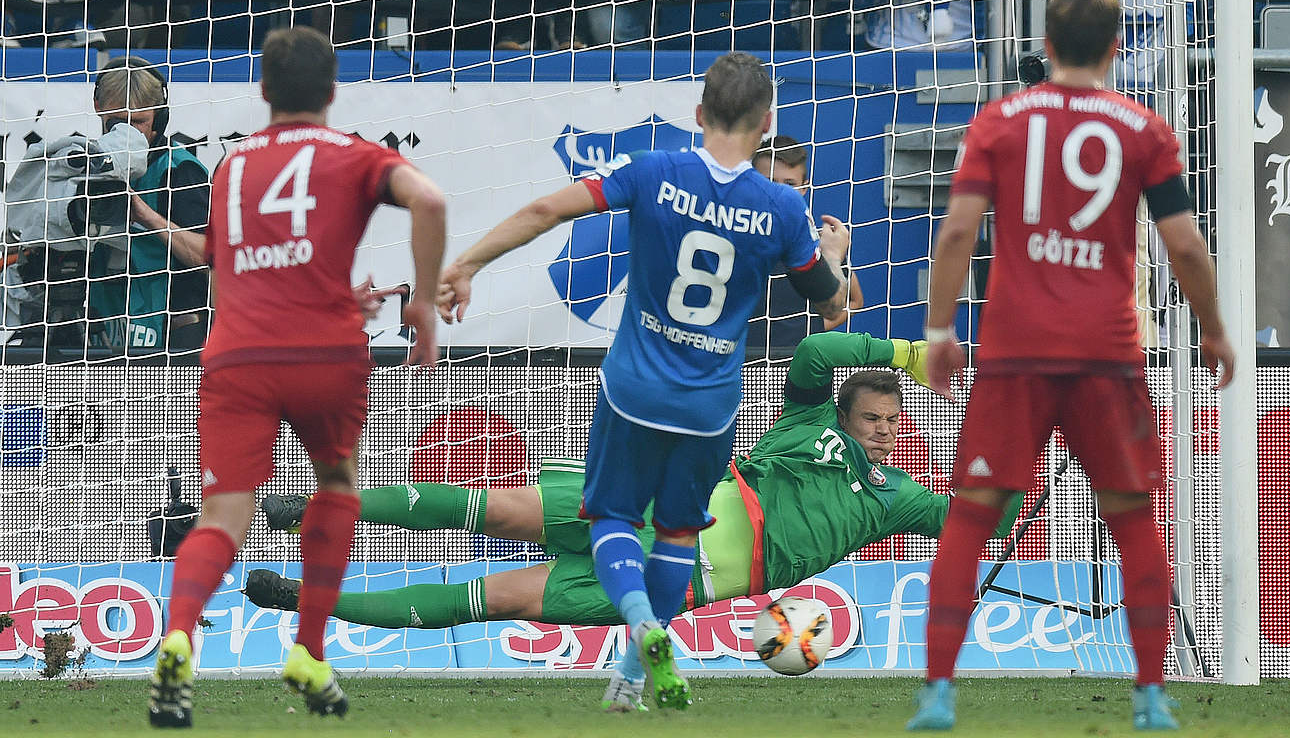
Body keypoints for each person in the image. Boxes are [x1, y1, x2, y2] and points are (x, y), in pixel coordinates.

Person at [244, 330, 1022, 711]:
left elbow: (978, 521)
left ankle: (299, 598)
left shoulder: (896, 496)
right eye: (874, 416)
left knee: (494, 598)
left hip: (677, 586)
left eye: (894, 420)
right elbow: (817, 351)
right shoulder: (803, 424)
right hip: (653, 505)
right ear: (847, 413)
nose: (885, 429)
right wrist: (904, 350)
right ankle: (299, 509)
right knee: (490, 505)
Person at [438, 52, 848, 709]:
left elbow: (548, 207)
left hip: (634, 389)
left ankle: (643, 626)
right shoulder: (777, 209)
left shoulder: (655, 170)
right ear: (766, 120)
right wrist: (831, 261)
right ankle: (631, 675)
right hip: (712, 406)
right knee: (681, 536)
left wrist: (467, 263)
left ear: (698, 114)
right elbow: (830, 309)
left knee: (612, 518)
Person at [908, 0, 1234, 731]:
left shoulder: (1000, 120)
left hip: (1017, 352)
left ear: (1047, 45)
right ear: (1118, 48)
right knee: (1133, 520)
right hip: (1107, 356)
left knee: (969, 517)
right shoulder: (1143, 128)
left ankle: (937, 693)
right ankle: (1151, 699)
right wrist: (1213, 327)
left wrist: (938, 330)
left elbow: (957, 233)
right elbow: (1182, 243)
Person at [147, 27, 446, 728]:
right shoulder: (352, 154)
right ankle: (309, 652)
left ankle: (180, 635)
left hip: (238, 357)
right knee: (338, 484)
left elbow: (221, 265)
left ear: (264, 91)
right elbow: (429, 201)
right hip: (324, 357)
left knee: (224, 513)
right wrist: (423, 304)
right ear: (333, 91)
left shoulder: (233, 169)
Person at [88, 56, 212, 352]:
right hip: (108, 325)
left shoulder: (181, 170)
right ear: (98, 109)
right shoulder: (88, 164)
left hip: (175, 333)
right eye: (116, 122)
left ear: (160, 118)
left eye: (139, 122)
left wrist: (146, 217)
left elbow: (212, 258)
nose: (127, 132)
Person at [747, 135, 865, 349]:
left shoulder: (817, 243)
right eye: (769, 182)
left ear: (804, 187)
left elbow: (854, 300)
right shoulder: (731, 232)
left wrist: (812, 329)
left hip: (796, 364)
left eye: (789, 184)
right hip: (738, 363)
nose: (779, 192)